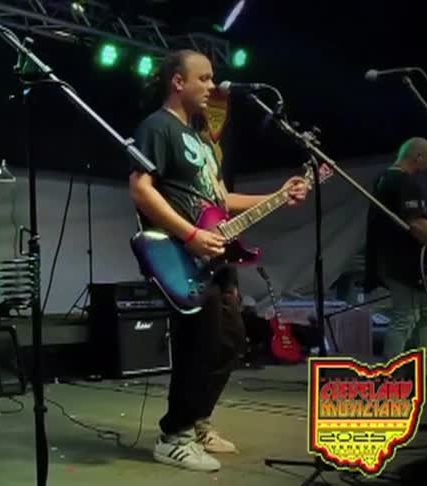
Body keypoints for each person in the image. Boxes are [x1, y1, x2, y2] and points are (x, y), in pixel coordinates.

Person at [128, 49, 309, 472]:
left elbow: (221, 200)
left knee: (231, 341)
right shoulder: (157, 127)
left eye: (213, 79)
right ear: (178, 81)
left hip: (215, 253)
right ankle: (174, 436)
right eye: (204, 78)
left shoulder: (202, 140)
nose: (213, 87)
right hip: (183, 253)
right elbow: (141, 189)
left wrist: (278, 196)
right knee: (201, 344)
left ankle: (198, 421)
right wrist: (189, 234)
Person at [363, 138, 427, 369]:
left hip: (394, 261)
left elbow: (406, 222)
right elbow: (416, 226)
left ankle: (416, 369)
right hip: (406, 264)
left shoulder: (383, 179)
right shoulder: (404, 182)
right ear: (417, 156)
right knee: (405, 317)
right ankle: (389, 374)